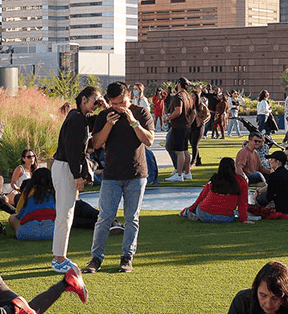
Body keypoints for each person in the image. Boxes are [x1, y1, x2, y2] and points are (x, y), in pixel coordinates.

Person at [83, 81, 154, 274]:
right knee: (104, 218)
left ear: (129, 96)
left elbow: (149, 140)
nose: (119, 107)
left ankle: (127, 257)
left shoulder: (141, 112)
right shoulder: (104, 116)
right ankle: (96, 259)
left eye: (122, 102)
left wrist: (134, 122)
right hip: (111, 175)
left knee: (132, 218)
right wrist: (108, 124)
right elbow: (96, 144)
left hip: (137, 173)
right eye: (114, 104)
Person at [50, 86, 105, 275]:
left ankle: (59, 256)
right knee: (64, 214)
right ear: (83, 99)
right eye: (94, 101)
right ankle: (59, 258)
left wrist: (103, 107)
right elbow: (73, 151)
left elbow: (95, 120)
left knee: (66, 213)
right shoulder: (76, 120)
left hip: (64, 166)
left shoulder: (77, 116)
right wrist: (78, 176)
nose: (96, 104)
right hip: (66, 167)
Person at [180, 157, 248, 223]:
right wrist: (243, 219)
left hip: (204, 214)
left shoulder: (214, 179)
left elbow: (202, 196)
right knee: (234, 213)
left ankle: (188, 212)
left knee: (199, 207)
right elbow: (242, 202)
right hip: (225, 217)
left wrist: (192, 208)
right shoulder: (240, 181)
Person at [252, 150, 288, 220]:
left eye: (271, 160)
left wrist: (256, 197)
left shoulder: (274, 175)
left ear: (277, 162)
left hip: (281, 209)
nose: (270, 162)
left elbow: (269, 196)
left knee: (259, 199)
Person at [164, 77, 195, 182]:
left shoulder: (179, 96)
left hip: (178, 126)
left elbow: (178, 111)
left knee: (179, 151)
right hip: (186, 126)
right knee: (185, 150)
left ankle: (179, 174)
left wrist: (168, 117)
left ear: (178, 83)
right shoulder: (188, 96)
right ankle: (187, 172)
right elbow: (193, 113)